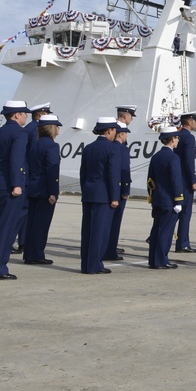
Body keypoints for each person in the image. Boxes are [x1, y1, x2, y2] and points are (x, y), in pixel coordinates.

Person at [0, 100, 30, 280]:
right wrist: (17, 184)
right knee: (6, 228)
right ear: (17, 115)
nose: (26, 116)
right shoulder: (19, 133)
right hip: (8, 185)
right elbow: (16, 159)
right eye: (24, 113)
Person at [79, 117, 121, 275]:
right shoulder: (112, 149)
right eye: (114, 130)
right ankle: (95, 265)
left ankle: (86, 264)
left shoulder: (89, 148)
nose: (115, 133)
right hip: (104, 196)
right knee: (100, 232)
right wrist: (115, 197)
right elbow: (112, 174)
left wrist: (85, 190)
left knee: (87, 232)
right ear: (109, 130)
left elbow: (83, 173)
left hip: (89, 193)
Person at [23, 113, 62, 265]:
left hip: (33, 188)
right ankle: (36, 254)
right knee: (41, 224)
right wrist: (53, 192)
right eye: (57, 126)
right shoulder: (52, 146)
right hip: (45, 190)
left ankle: (29, 253)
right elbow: (51, 171)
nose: (58, 129)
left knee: (32, 223)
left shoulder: (36, 144)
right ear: (51, 128)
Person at [13, 101, 51, 254]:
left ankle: (23, 241)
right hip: (30, 175)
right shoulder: (36, 129)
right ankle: (23, 241)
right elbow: (36, 155)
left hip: (26, 173)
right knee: (25, 211)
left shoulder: (28, 128)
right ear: (41, 115)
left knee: (24, 210)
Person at [147, 126, 184, 269]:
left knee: (156, 230)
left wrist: (152, 197)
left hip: (158, 199)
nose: (178, 140)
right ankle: (161, 260)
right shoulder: (173, 158)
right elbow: (176, 181)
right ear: (172, 139)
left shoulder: (155, 157)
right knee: (166, 232)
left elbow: (151, 180)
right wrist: (178, 200)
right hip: (169, 200)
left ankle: (153, 260)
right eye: (177, 138)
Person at [103, 124, 132, 262]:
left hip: (108, 190)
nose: (126, 136)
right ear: (121, 134)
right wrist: (126, 190)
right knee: (115, 223)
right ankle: (110, 251)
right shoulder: (122, 149)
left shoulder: (109, 147)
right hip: (119, 191)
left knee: (107, 222)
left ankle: (105, 248)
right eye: (125, 133)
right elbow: (124, 170)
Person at [173, 112, 196, 253]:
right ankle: (182, 243)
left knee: (174, 212)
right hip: (185, 182)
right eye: (195, 121)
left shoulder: (177, 136)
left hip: (175, 180)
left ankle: (155, 236)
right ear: (189, 122)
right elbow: (189, 161)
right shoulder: (188, 137)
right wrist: (193, 181)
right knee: (185, 214)